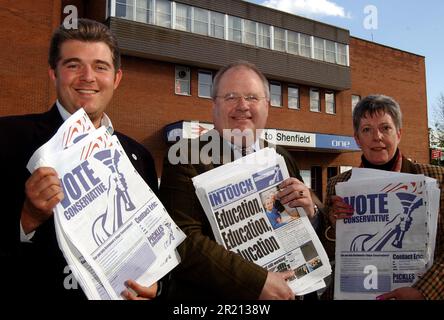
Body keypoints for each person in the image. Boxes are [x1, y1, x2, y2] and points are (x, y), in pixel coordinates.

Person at [0, 19, 159, 300]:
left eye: (100, 67)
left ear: (116, 78)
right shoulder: (8, 138)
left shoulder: (140, 157)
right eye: (73, 65)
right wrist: (26, 218)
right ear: (53, 74)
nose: (88, 77)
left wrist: (156, 287)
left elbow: (158, 248)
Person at [159, 60, 321, 300]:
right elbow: (184, 242)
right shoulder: (185, 157)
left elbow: (307, 227)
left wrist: (312, 213)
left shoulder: (282, 157)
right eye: (231, 97)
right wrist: (257, 282)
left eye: (252, 98)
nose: (242, 106)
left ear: (267, 106)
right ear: (214, 106)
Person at [321, 94, 444, 300]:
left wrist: (423, 292)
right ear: (357, 139)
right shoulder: (339, 185)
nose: (376, 136)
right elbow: (328, 255)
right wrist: (335, 227)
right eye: (367, 129)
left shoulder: (436, 178)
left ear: (399, 133)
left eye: (385, 128)